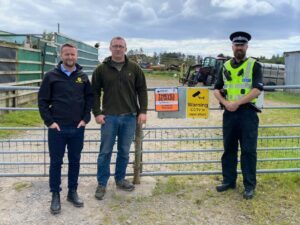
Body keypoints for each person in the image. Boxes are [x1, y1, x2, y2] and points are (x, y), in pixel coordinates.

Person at [38, 43, 94, 214]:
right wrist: (50, 122)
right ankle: (55, 194)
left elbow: (89, 98)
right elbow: (42, 101)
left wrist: (85, 119)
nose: (70, 57)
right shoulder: (51, 76)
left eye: (73, 55)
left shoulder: (83, 77)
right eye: (67, 54)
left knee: (75, 161)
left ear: (77, 56)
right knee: (56, 162)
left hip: (77, 128)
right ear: (61, 55)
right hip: (57, 129)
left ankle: (72, 191)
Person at [92, 36, 148, 200]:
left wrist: (143, 111)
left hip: (130, 117)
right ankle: (102, 183)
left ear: (125, 48)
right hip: (109, 118)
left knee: (124, 151)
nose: (118, 49)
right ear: (110, 48)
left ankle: (120, 179)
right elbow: (94, 92)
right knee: (105, 152)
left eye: (120, 46)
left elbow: (142, 90)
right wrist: (97, 112)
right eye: (115, 46)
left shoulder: (134, 68)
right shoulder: (101, 69)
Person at [214, 31, 263, 199]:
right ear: (232, 47)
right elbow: (216, 89)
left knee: (248, 151)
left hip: (247, 113)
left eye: (242, 45)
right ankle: (229, 181)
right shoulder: (225, 66)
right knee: (229, 149)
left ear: (247, 47)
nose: (239, 47)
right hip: (229, 113)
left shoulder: (254, 65)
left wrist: (237, 103)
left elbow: (257, 90)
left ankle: (249, 185)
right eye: (237, 45)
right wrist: (226, 103)